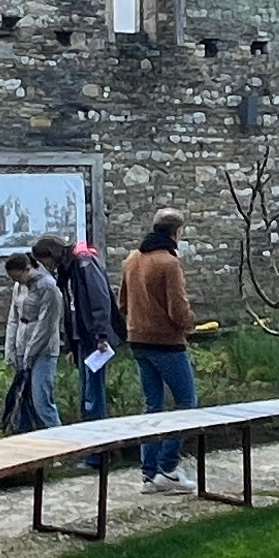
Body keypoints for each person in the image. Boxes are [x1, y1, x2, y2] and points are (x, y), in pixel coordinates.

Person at [119, 207, 198, 494]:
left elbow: (123, 303)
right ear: (177, 232)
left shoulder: (132, 259)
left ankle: (149, 474)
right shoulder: (169, 263)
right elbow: (178, 307)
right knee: (186, 404)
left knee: (152, 406)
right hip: (167, 342)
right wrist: (189, 323)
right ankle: (168, 467)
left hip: (138, 339)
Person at [31, 234, 118, 423]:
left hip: (93, 336)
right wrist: (69, 344)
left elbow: (99, 300)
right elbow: (70, 310)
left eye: (45, 260)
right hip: (80, 336)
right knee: (86, 388)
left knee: (93, 389)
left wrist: (101, 335)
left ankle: (97, 431)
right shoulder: (66, 272)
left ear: (53, 254)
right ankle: (89, 426)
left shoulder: (84, 264)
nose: (46, 266)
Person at [0, 252, 64, 434]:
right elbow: (13, 318)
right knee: (24, 399)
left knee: (41, 399)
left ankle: (59, 439)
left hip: (43, 351)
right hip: (22, 344)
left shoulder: (48, 287)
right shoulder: (19, 287)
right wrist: (10, 349)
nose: (18, 282)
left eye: (19, 277)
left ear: (28, 269)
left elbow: (46, 326)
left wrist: (30, 355)